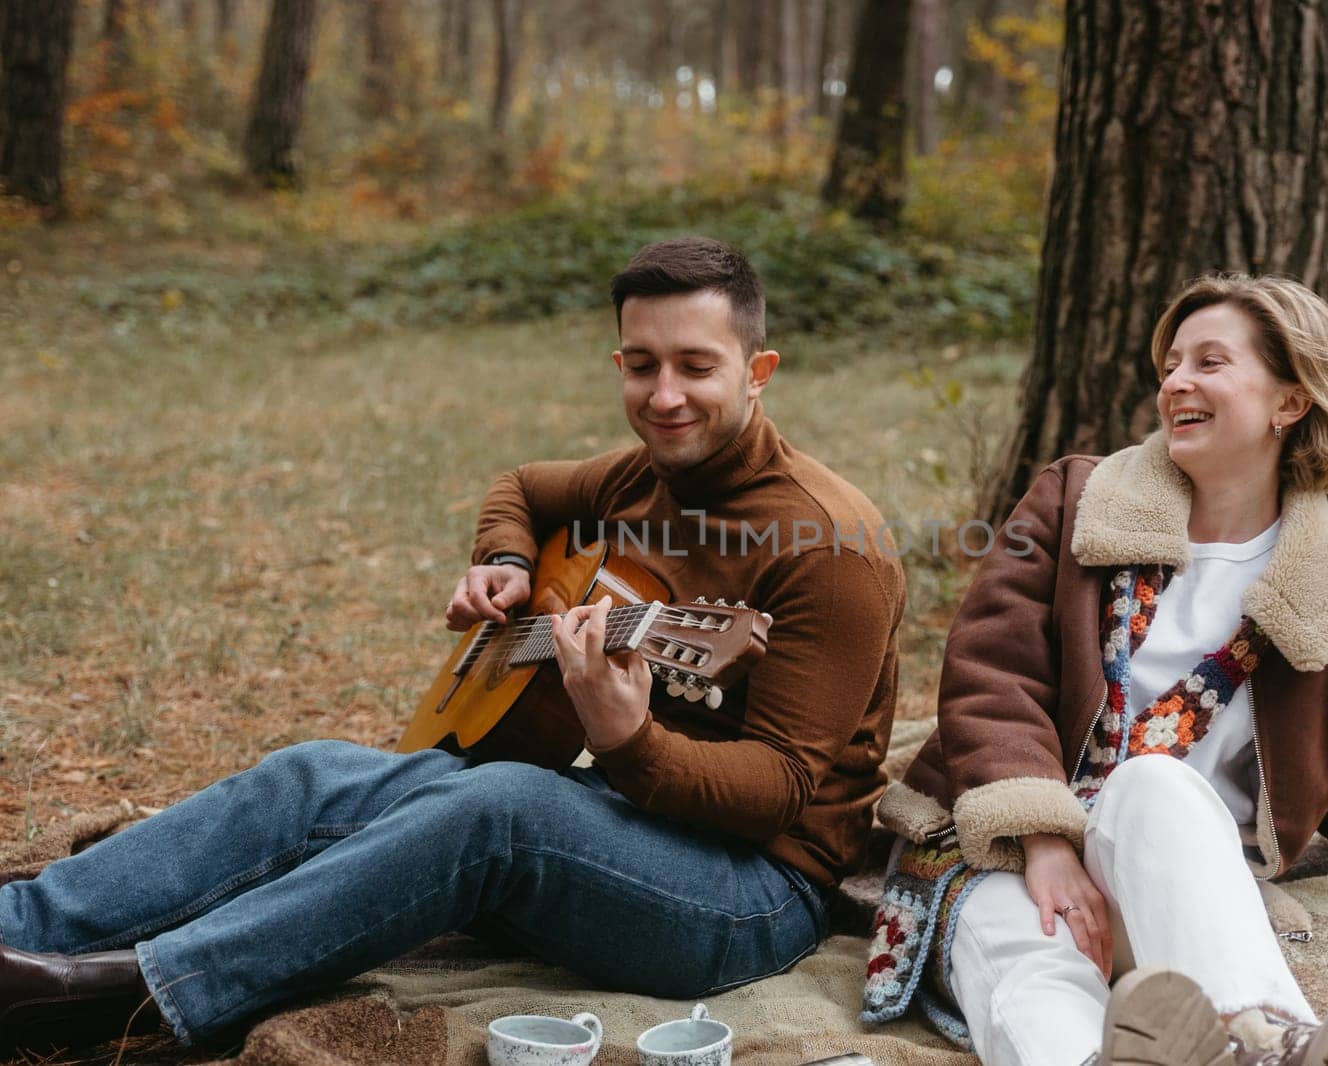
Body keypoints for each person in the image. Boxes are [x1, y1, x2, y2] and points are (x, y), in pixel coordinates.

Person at [0, 237, 906, 1053]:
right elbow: (520, 487)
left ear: (758, 372)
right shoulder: (645, 472)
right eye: (641, 365)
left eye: (695, 368)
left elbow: (778, 797)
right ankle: (23, 923)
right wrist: (506, 564)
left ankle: (128, 995)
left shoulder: (830, 550)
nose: (663, 396)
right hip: (627, 814)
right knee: (311, 775)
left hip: (753, 895)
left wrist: (631, 740)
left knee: (501, 807)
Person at [863, 275, 1328, 1066]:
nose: (1176, 381)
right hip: (1009, 854)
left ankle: (1265, 1037)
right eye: (1171, 364)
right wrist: (1044, 844)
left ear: (1291, 401)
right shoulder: (1077, 503)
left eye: (1211, 363)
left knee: (1154, 783)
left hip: (1175, 897)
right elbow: (990, 677)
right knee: (1029, 953)